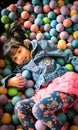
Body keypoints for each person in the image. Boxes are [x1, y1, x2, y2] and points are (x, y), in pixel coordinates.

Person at [1, 25, 78, 130]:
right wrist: (9, 81)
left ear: (25, 44)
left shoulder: (41, 46)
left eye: (19, 51)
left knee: (38, 109)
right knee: (19, 107)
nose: (20, 57)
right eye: (15, 58)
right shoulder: (21, 67)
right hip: (44, 93)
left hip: (63, 83)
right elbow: (6, 78)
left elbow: (67, 56)